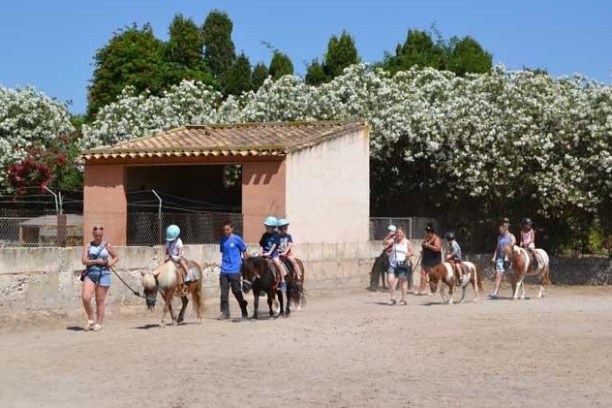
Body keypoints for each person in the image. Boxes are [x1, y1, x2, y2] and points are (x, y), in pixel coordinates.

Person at [81, 225, 119, 332]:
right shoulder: (88, 246)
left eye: (100, 235)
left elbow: (116, 257)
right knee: (85, 297)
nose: (98, 237)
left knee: (99, 300)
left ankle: (99, 323)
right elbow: (84, 261)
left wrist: (110, 264)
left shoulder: (107, 245)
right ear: (93, 235)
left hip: (103, 274)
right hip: (91, 273)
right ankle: (91, 319)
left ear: (102, 235)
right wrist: (97, 261)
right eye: (96, 235)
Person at [218, 220, 249, 320]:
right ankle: (225, 313)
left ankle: (243, 307)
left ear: (232, 229)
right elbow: (223, 252)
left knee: (236, 291)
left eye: (227, 229)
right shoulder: (222, 240)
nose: (226, 231)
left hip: (235, 270)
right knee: (223, 293)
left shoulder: (237, 239)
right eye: (224, 230)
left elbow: (244, 251)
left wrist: (245, 264)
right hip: (224, 270)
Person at [384, 225, 414, 305]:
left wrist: (408, 254)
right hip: (393, 263)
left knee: (402, 282)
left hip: (403, 264)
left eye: (400, 233)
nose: (399, 234)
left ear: (404, 233)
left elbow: (412, 252)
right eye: (397, 233)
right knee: (390, 280)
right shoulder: (393, 240)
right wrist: (388, 236)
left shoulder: (407, 242)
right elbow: (384, 243)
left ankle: (403, 299)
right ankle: (393, 298)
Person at [489, 218, 517, 299]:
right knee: (498, 275)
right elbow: (497, 248)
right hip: (500, 258)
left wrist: (510, 245)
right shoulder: (499, 237)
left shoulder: (511, 236)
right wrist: (494, 257)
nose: (500, 230)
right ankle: (495, 293)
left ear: (504, 228)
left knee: (511, 276)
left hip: (509, 259)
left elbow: (513, 242)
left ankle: (514, 292)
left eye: (501, 228)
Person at [259, 216, 286, 292]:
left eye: (268, 227)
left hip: (273, 252)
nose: (266, 228)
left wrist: (269, 253)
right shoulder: (264, 235)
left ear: (273, 227)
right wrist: (261, 252)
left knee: (278, 264)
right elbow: (261, 244)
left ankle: (283, 281)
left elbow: (274, 245)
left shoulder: (276, 235)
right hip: (265, 252)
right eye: (266, 227)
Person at [164, 224, 190, 296]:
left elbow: (180, 251)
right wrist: (167, 256)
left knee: (182, 262)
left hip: (178, 257)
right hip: (170, 258)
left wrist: (177, 257)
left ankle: (188, 275)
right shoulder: (168, 242)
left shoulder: (179, 241)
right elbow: (166, 250)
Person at [418, 223, 442, 295]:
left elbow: (438, 248)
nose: (426, 233)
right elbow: (424, 245)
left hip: (434, 260)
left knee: (432, 275)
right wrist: (423, 245)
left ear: (430, 232)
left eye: (427, 232)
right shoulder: (427, 238)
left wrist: (428, 246)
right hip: (426, 259)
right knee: (422, 273)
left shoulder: (436, 238)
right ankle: (422, 289)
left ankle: (432, 290)